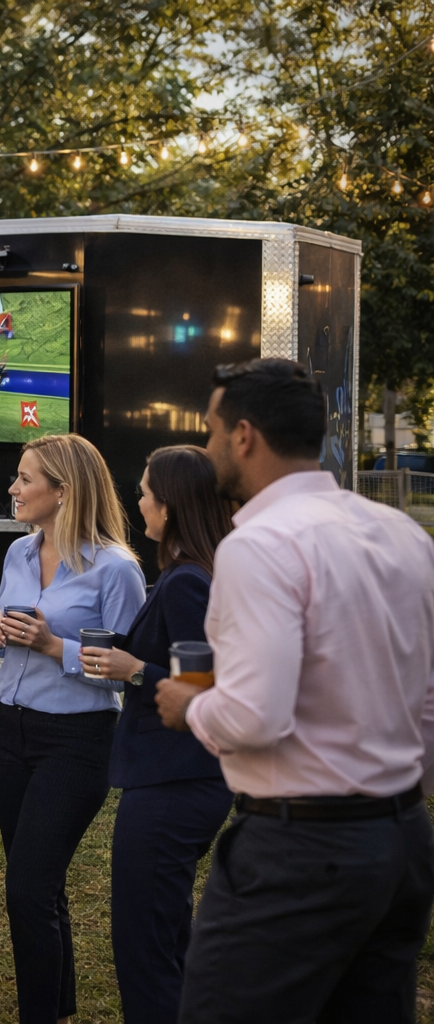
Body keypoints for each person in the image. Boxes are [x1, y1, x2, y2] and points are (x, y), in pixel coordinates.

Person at [155, 359, 434, 1024]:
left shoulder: (261, 545)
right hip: (401, 841)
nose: (209, 446)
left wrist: (190, 703)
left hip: (301, 852)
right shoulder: (402, 533)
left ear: (245, 436)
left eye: (212, 432)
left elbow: (254, 715)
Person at [0, 432, 146, 1024]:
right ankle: (56, 1007)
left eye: (26, 479)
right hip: (12, 733)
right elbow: (0, 632)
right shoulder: (18, 554)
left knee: (27, 889)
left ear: (64, 490)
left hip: (77, 743)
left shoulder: (116, 569)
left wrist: (57, 646)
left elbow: (125, 674)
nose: (14, 488)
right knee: (38, 885)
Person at [74, 445, 234, 1024]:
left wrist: (133, 669)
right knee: (167, 934)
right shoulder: (193, 572)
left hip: (175, 782)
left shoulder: (189, 580)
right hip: (181, 781)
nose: (137, 500)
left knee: (146, 944)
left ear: (170, 505)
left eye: (144, 491)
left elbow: (206, 687)